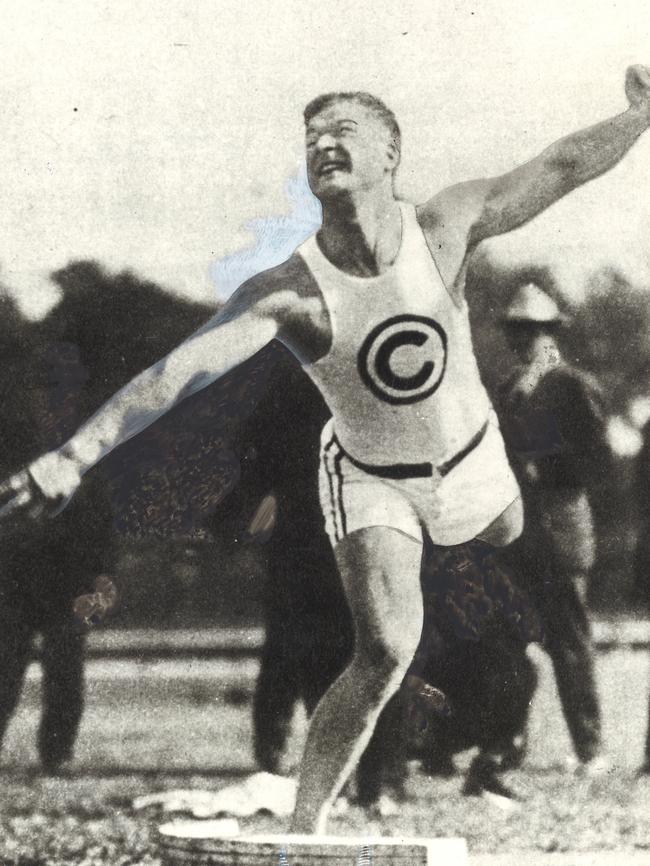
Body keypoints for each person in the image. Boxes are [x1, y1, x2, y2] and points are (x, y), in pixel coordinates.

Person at [1, 66, 649, 833]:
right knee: (384, 650)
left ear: (390, 154)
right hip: (372, 477)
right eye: (310, 137)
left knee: (511, 539)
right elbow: (177, 373)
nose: (322, 144)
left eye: (342, 130)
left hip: (474, 458)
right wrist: (75, 454)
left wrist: (639, 117)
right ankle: (303, 829)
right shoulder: (288, 290)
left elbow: (563, 166)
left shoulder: (445, 226)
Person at [496, 283, 614, 774]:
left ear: (551, 333)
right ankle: (505, 744)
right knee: (507, 641)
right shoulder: (508, 390)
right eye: (518, 331)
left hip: (561, 525)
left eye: (534, 331)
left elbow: (598, 460)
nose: (525, 340)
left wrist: (546, 466)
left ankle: (590, 750)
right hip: (518, 532)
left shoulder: (572, 385)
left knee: (569, 642)